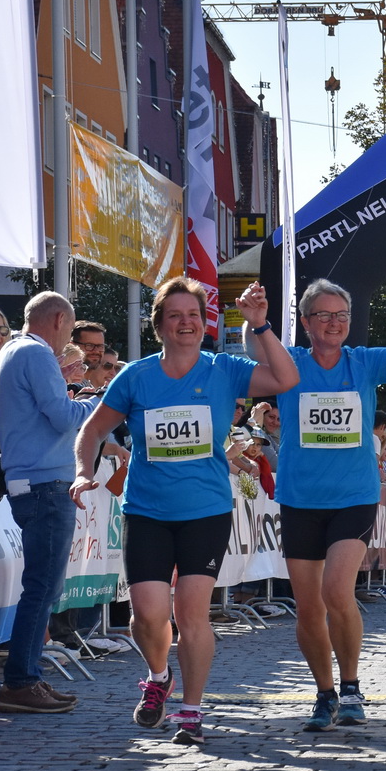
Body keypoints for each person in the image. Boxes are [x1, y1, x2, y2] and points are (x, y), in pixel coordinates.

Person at [71, 278, 299, 745]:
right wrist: (81, 472)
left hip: (205, 511)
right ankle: (159, 676)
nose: (186, 323)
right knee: (146, 615)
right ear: (159, 326)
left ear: (204, 323)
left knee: (191, 613)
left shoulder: (224, 369)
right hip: (148, 510)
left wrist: (260, 325)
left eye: (193, 315)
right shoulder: (136, 377)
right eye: (175, 315)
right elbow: (92, 430)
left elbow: (286, 378)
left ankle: (191, 711)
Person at [271, 279, 386, 732]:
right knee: (308, 607)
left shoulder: (363, 362)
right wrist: (255, 323)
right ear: (305, 322)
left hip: (354, 497)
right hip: (300, 498)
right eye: (324, 315)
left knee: (336, 592)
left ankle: (350, 687)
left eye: (342, 315)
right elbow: (253, 354)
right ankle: (324, 692)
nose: (334, 323)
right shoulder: (289, 364)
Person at [0, 292, 100, 715]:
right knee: (42, 587)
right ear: (57, 321)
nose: (68, 338)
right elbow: (63, 417)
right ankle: (20, 681)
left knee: (43, 587)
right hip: (45, 484)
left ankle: (26, 676)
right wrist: (102, 403)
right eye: (70, 329)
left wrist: (78, 402)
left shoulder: (14, 351)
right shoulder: (35, 353)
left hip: (35, 482)